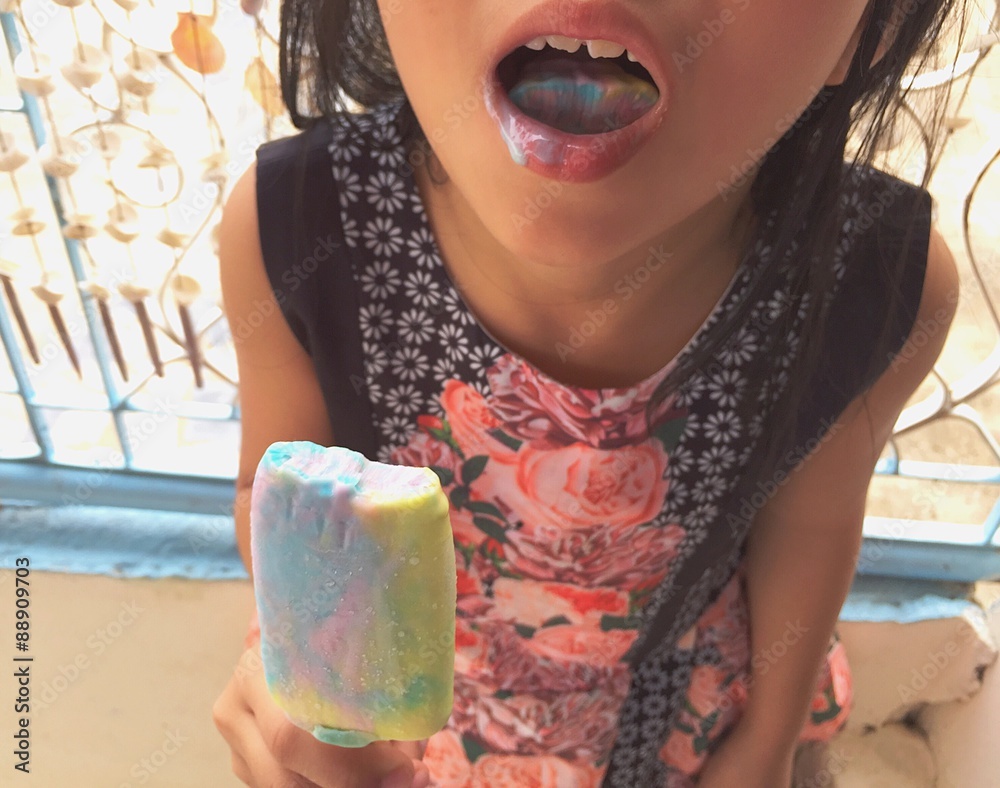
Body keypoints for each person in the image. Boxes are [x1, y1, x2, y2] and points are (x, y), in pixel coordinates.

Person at [212, 0, 967, 785]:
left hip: (687, 726)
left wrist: (768, 745)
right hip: (426, 742)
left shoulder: (872, 284)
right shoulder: (294, 232)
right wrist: (304, 678)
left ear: (877, 22)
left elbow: (811, 525)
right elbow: (275, 501)